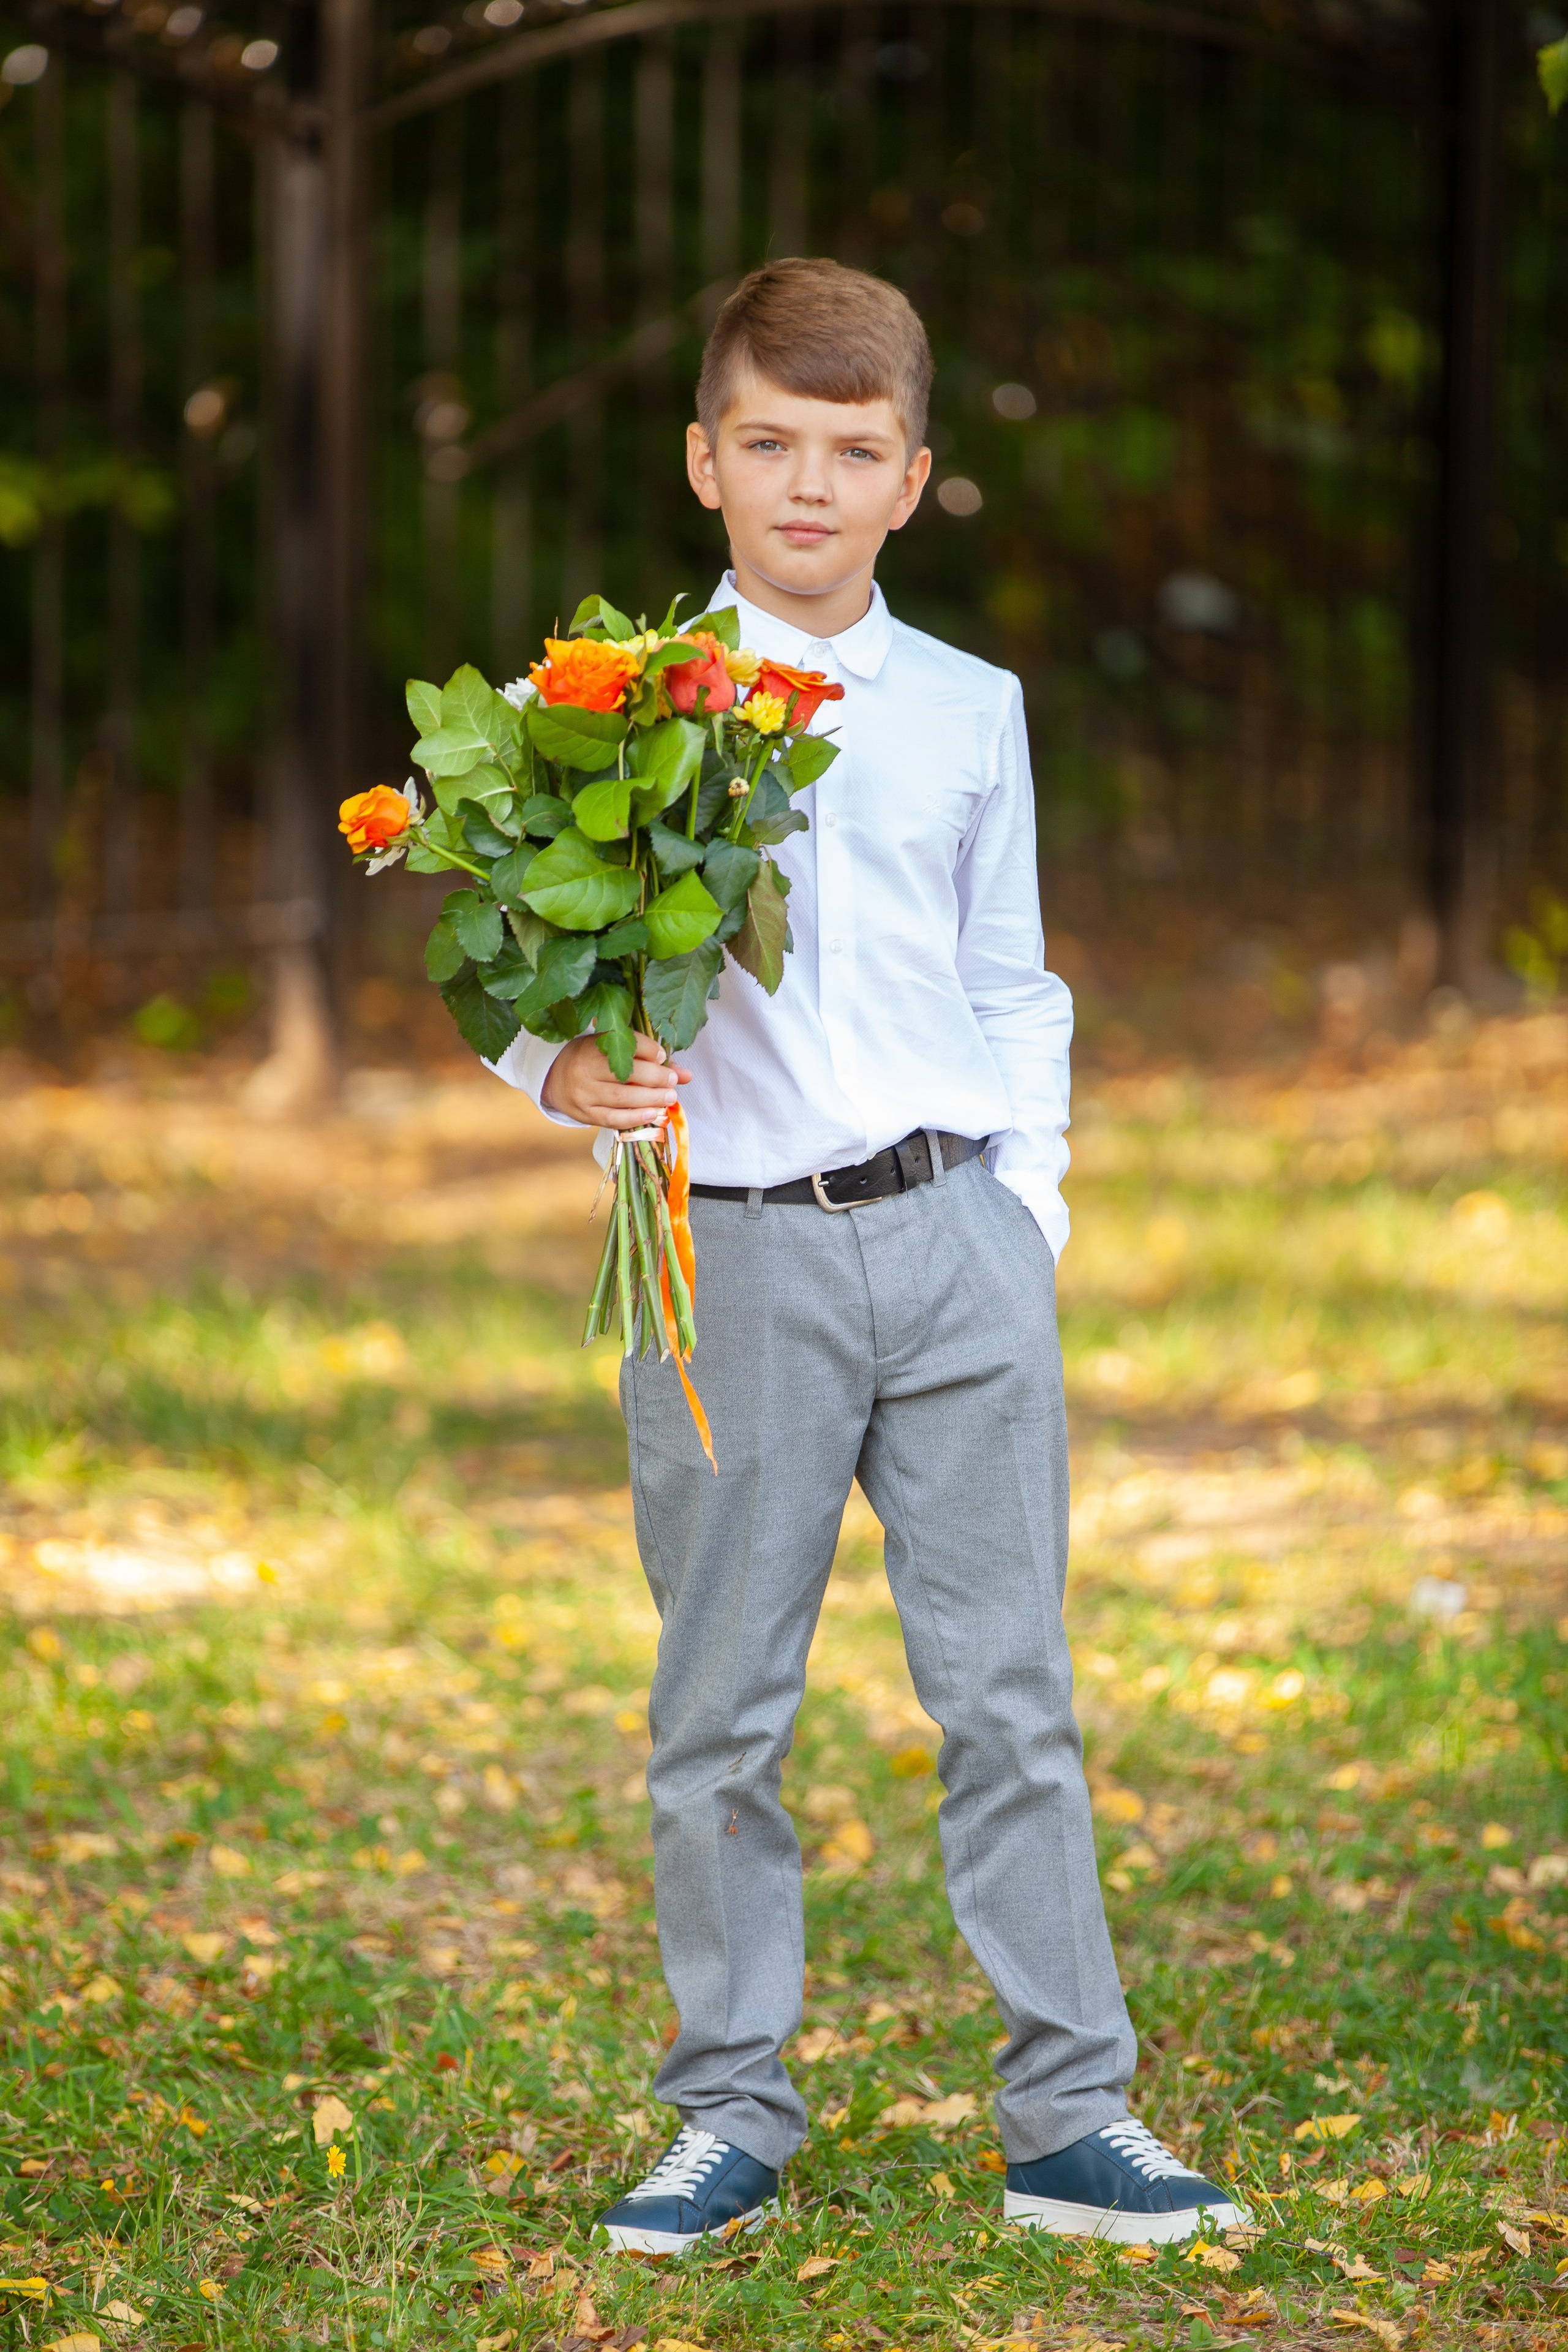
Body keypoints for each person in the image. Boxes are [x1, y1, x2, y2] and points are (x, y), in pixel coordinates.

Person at [488, 258, 1249, 2255]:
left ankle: (1071, 2119)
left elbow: (1015, 979)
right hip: (727, 1263)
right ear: (704, 462)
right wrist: (556, 1069)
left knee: (1013, 1694)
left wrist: (1034, 1205)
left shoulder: (973, 714)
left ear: (911, 478)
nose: (806, 488)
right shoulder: (617, 704)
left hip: (958, 1242)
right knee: (719, 1709)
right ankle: (729, 2108)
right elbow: (508, 950)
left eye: (850, 453)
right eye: (769, 447)